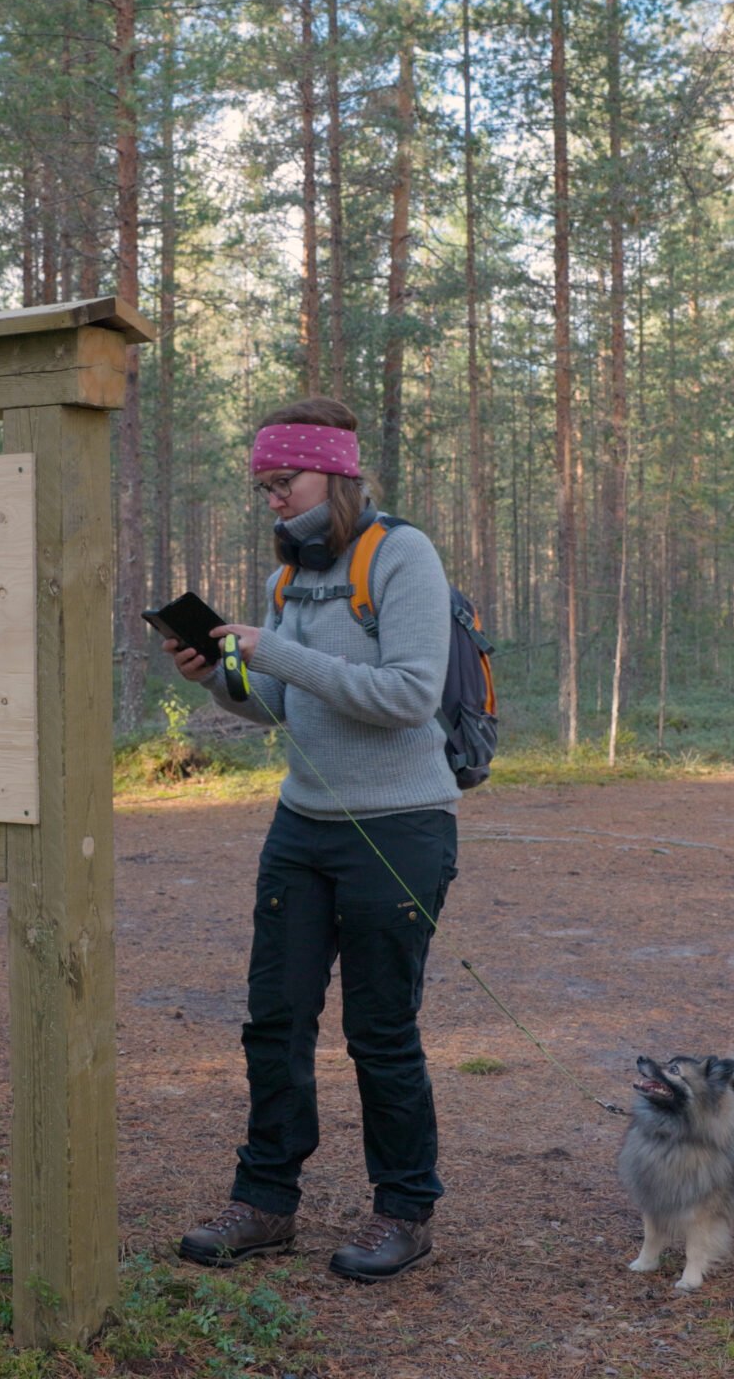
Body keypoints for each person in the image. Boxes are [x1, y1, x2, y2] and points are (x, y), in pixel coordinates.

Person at [161, 396, 459, 1283]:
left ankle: (404, 1213)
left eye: (281, 483)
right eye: (261, 488)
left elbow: (410, 693)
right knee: (275, 1020)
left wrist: (275, 652)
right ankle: (264, 1204)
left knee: (380, 1031)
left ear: (334, 473)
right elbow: (277, 707)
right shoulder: (288, 578)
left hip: (400, 827)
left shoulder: (401, 555)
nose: (273, 501)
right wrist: (219, 674)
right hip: (303, 827)